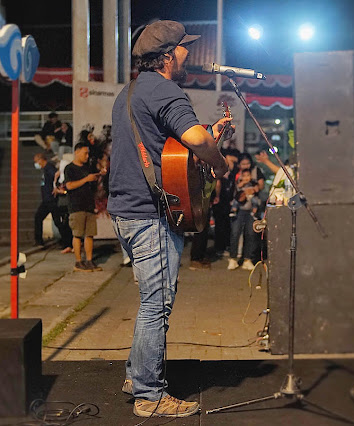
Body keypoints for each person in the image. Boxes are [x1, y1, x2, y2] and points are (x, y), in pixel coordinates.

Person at [108, 20, 230, 418]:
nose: (188, 53)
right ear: (165, 57)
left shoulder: (130, 93)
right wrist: (219, 161)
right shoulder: (165, 88)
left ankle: (136, 374)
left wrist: (211, 132)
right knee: (156, 304)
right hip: (149, 215)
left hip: (125, 212)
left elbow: (168, 151)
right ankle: (149, 395)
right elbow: (194, 141)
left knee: (150, 302)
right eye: (182, 48)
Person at [64, 142, 104, 272]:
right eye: (85, 153)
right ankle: (78, 261)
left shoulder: (88, 167)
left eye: (88, 153)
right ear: (77, 152)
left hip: (89, 205)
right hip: (76, 206)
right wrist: (86, 179)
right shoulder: (69, 168)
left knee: (90, 234)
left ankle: (89, 260)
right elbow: (69, 186)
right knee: (77, 235)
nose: (87, 156)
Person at [33, 153, 72, 251]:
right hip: (46, 200)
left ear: (41, 159)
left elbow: (57, 177)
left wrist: (57, 188)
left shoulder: (49, 168)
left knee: (58, 222)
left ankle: (67, 242)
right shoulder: (45, 169)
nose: (36, 164)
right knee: (38, 217)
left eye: (36, 161)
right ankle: (39, 241)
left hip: (52, 200)